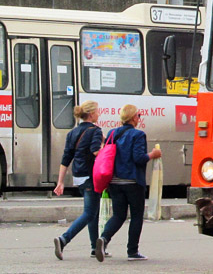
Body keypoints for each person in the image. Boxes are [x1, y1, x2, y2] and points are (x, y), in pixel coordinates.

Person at [95, 104, 161, 262]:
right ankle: (132, 251)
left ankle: (103, 239)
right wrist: (153, 154)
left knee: (118, 215)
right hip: (132, 181)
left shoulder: (112, 133)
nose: (139, 118)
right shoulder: (138, 135)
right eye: (138, 115)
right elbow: (138, 158)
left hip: (114, 181)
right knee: (137, 216)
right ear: (133, 118)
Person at [52, 101, 103, 260]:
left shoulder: (73, 133)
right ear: (92, 114)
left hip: (78, 176)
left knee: (93, 212)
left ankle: (95, 248)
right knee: (89, 212)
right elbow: (95, 151)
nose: (99, 114)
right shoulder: (95, 131)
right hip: (90, 176)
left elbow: (66, 158)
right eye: (97, 111)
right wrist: (109, 155)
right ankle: (64, 239)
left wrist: (60, 182)